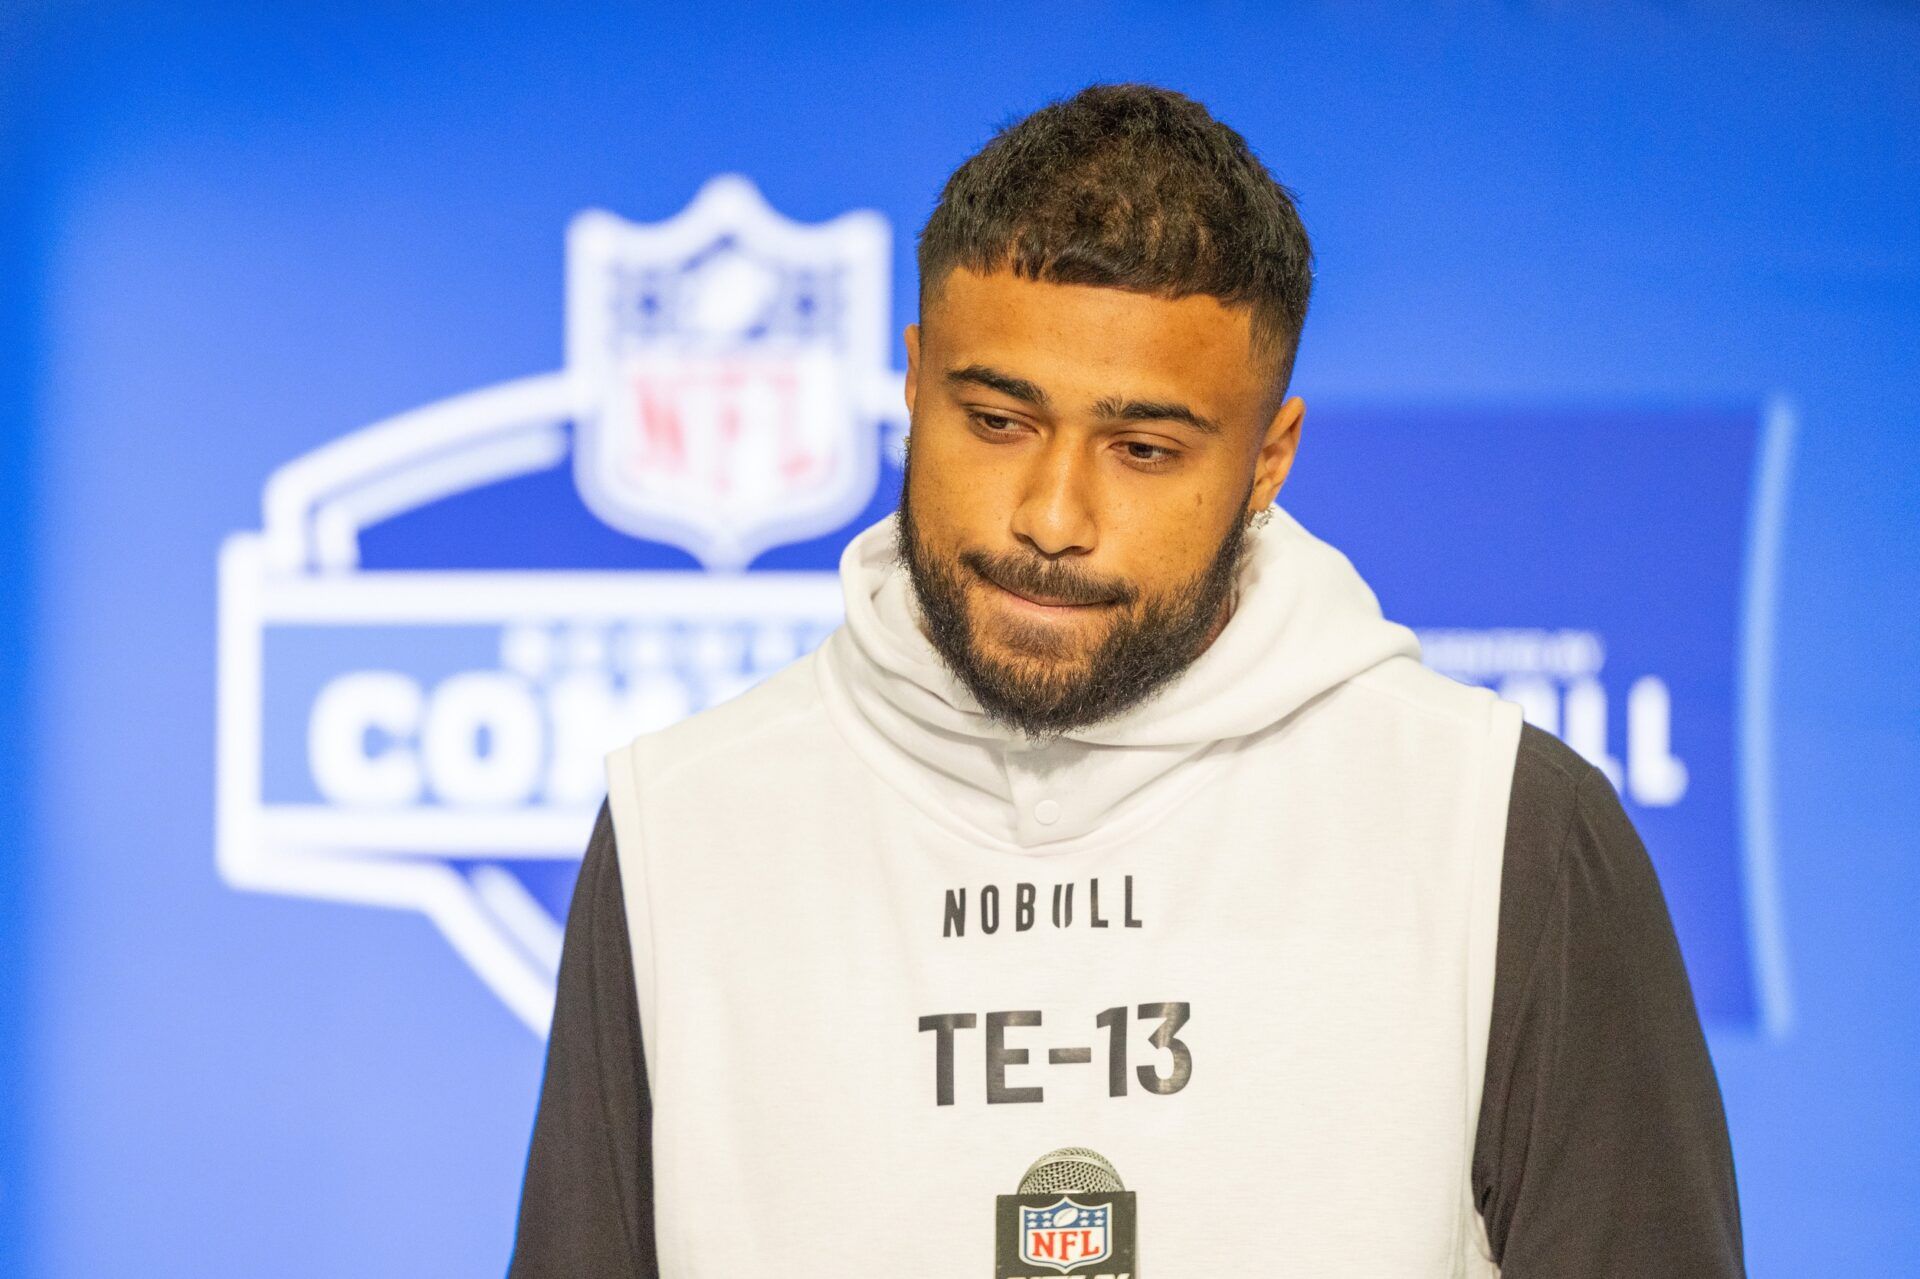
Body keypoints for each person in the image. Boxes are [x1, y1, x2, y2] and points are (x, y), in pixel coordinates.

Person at [508, 83, 1743, 1276]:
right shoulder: (687, 826)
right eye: (996, 420)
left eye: (1144, 449)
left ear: (1270, 457)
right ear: (913, 378)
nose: (1051, 515)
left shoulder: (1501, 827)